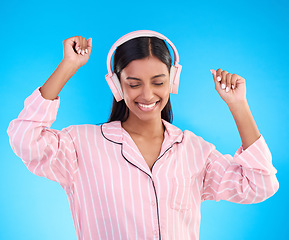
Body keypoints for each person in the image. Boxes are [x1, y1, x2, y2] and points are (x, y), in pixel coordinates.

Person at [7, 30, 279, 240]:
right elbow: (25, 138)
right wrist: (68, 65)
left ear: (172, 81)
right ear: (116, 85)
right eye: (134, 84)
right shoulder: (81, 145)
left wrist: (238, 104)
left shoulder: (194, 150)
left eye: (158, 82)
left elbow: (260, 184)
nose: (147, 95)